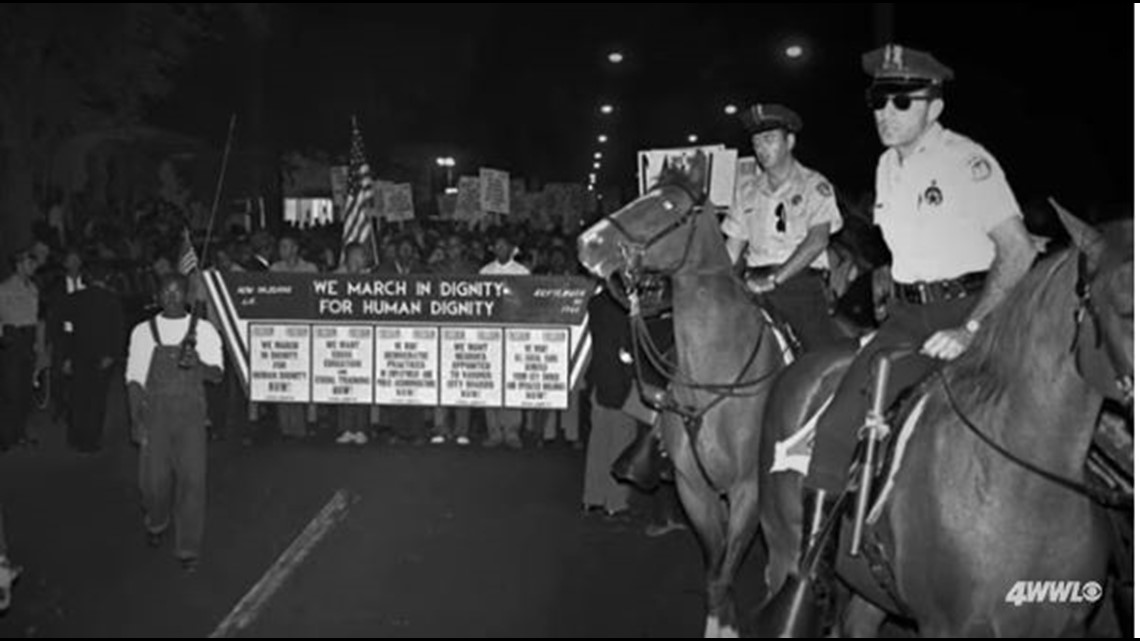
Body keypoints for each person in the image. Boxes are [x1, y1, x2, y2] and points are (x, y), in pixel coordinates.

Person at [800, 43, 1037, 578]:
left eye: (900, 101)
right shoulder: (886, 165)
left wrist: (972, 328)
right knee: (837, 426)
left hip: (974, 309)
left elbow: (1018, 251)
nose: (885, 113)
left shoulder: (968, 162)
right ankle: (810, 576)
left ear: (934, 106)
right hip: (906, 318)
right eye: (878, 101)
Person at [723, 103, 844, 351]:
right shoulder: (746, 191)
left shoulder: (814, 185)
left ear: (789, 142)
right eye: (756, 142)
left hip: (799, 285)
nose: (761, 149)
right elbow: (732, 250)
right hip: (753, 285)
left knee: (821, 359)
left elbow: (817, 241)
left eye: (769, 139)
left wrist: (776, 279)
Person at [126, 274, 224, 571]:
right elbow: (134, 380)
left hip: (191, 415)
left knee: (193, 481)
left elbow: (217, 375)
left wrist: (199, 365)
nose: (171, 297)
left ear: (186, 296)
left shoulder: (204, 331)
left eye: (177, 292)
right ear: (157, 296)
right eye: (165, 292)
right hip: (155, 413)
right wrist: (136, 420)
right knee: (153, 483)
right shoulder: (143, 332)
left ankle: (187, 547)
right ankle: (157, 521)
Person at [58, 263, 124, 453]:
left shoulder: (76, 299)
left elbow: (64, 328)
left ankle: (76, 436)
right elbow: (118, 330)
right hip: (102, 356)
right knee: (96, 400)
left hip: (79, 353)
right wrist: (112, 355)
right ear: (106, 279)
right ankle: (91, 440)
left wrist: (66, 356)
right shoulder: (112, 300)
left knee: (78, 397)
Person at [479, 235, 530, 448]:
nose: (500, 249)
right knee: (490, 381)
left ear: (512, 248)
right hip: (490, 335)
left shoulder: (523, 272)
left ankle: (511, 431)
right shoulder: (484, 272)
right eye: (496, 246)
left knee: (511, 382)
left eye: (504, 245)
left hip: (513, 334)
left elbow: (527, 303)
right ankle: (494, 431)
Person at [0, 248, 44, 450]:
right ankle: (6, 436)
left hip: (28, 341)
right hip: (12, 340)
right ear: (18, 265)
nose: (33, 266)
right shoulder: (5, 288)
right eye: (29, 262)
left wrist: (37, 345)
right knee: (10, 391)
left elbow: (36, 319)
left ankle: (20, 433)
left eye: (33, 262)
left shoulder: (33, 288)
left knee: (25, 391)